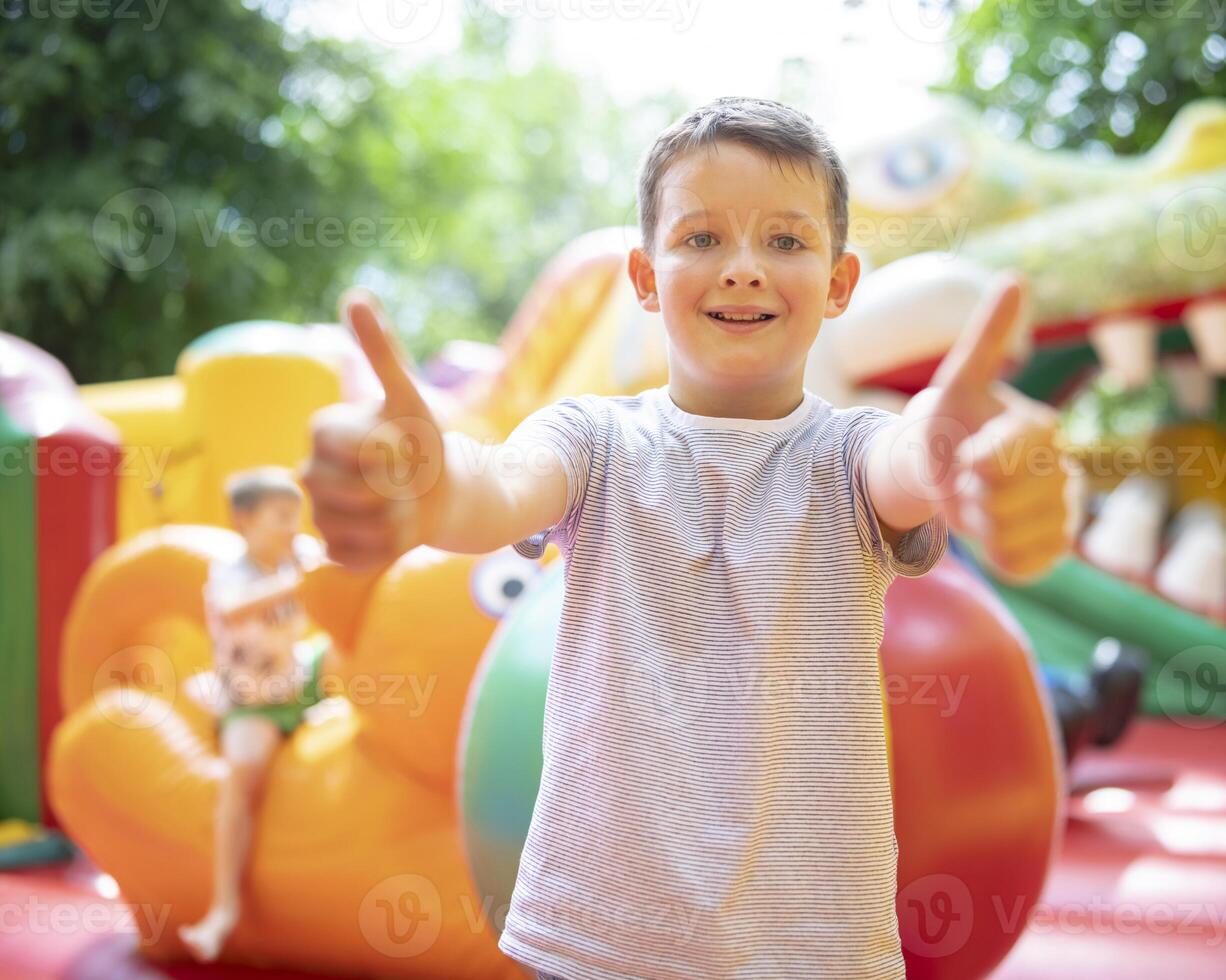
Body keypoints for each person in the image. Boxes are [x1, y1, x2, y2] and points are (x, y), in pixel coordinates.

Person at [302, 96, 1072, 979]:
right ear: (643, 275)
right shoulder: (589, 440)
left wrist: (951, 451)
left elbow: (911, 460)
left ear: (839, 283)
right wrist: (427, 483)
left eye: (785, 241)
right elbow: (492, 489)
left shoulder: (851, 454)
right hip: (599, 946)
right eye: (702, 238)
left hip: (812, 948)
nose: (743, 268)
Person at [178, 466, 329, 963]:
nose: (292, 528)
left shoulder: (298, 558)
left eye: (296, 517)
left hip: (300, 681)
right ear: (244, 521)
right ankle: (223, 906)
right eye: (281, 517)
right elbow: (232, 610)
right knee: (243, 770)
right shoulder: (233, 572)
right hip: (254, 701)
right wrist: (298, 581)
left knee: (340, 660)